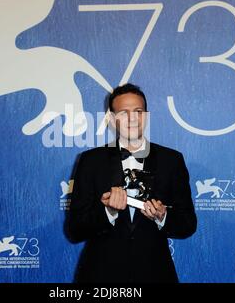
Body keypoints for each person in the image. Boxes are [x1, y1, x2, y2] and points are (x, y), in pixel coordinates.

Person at [68, 83, 197, 283]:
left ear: (146, 115)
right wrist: (108, 211)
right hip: (101, 277)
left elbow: (188, 224)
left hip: (155, 274)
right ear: (111, 119)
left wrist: (163, 216)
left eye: (138, 111)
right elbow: (74, 229)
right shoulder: (91, 161)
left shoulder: (171, 160)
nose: (132, 118)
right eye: (123, 112)